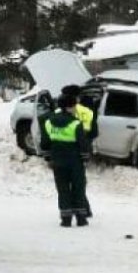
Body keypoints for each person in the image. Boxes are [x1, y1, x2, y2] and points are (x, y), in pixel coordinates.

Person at [41, 94, 90, 227]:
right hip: (75, 162)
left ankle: (66, 219)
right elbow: (83, 145)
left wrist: (48, 157)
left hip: (58, 161)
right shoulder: (76, 124)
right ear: (70, 106)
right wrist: (86, 158)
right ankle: (81, 218)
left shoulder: (49, 122)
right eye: (75, 105)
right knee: (78, 188)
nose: (76, 108)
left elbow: (45, 143)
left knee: (62, 189)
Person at [60, 85, 97, 218]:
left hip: (76, 148)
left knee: (76, 181)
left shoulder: (79, 109)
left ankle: (82, 209)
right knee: (79, 180)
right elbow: (94, 131)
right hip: (82, 147)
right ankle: (83, 208)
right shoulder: (89, 107)